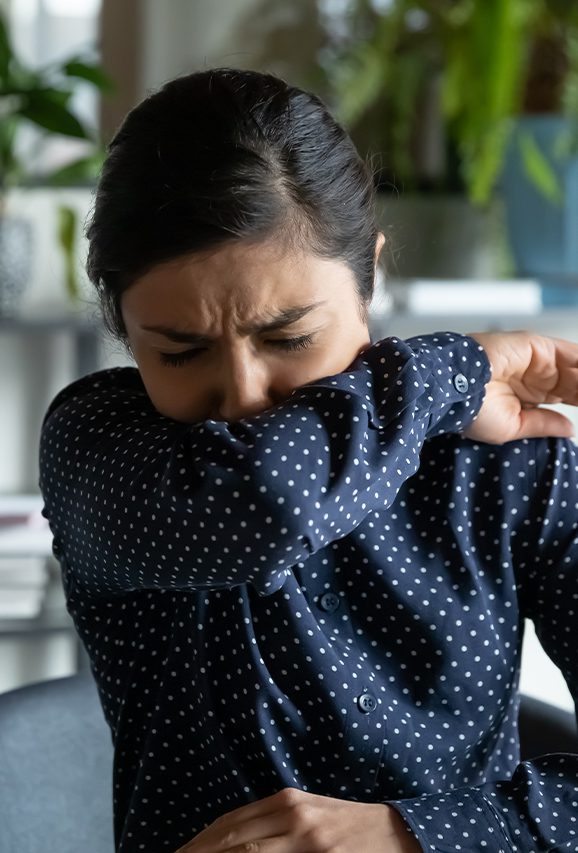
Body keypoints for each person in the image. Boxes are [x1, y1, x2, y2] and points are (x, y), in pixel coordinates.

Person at [38, 68, 578, 853]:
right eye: (180, 351)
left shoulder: (499, 462)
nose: (245, 395)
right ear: (122, 324)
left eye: (289, 338)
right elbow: (265, 505)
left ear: (371, 274)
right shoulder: (104, 443)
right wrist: (454, 369)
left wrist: (410, 832)